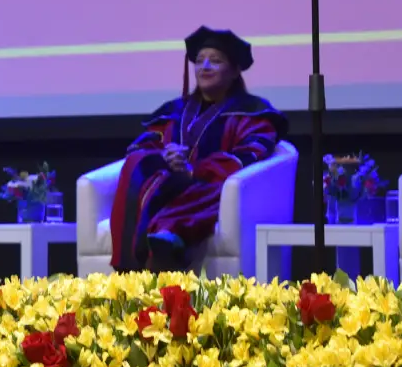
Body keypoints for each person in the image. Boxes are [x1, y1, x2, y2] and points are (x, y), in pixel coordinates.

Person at [110, 27, 287, 272]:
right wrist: (164, 156)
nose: (205, 66)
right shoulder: (173, 111)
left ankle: (168, 233)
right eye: (200, 60)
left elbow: (250, 154)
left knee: (216, 193)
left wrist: (195, 171)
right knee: (139, 167)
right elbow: (140, 146)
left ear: (235, 71)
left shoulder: (252, 112)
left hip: (212, 187)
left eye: (215, 61)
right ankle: (137, 258)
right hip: (167, 184)